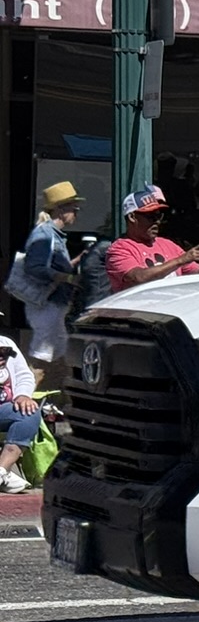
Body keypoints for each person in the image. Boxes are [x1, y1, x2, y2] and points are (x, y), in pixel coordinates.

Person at [16, 181, 82, 390]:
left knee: (60, 358)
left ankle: (59, 400)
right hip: (47, 306)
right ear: (60, 210)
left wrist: (75, 262)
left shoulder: (52, 235)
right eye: (74, 208)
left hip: (52, 306)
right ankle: (24, 398)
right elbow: (34, 267)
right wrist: (66, 277)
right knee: (42, 360)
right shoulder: (45, 235)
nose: (77, 212)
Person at [105, 185, 199, 292]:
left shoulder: (168, 245)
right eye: (151, 216)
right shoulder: (119, 249)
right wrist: (181, 260)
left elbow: (198, 276)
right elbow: (138, 278)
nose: (157, 222)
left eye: (159, 216)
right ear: (132, 217)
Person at [0, 335, 40, 495]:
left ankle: (2, 470)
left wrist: (23, 395)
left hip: (4, 408)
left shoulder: (6, 343)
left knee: (28, 412)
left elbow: (24, 375)